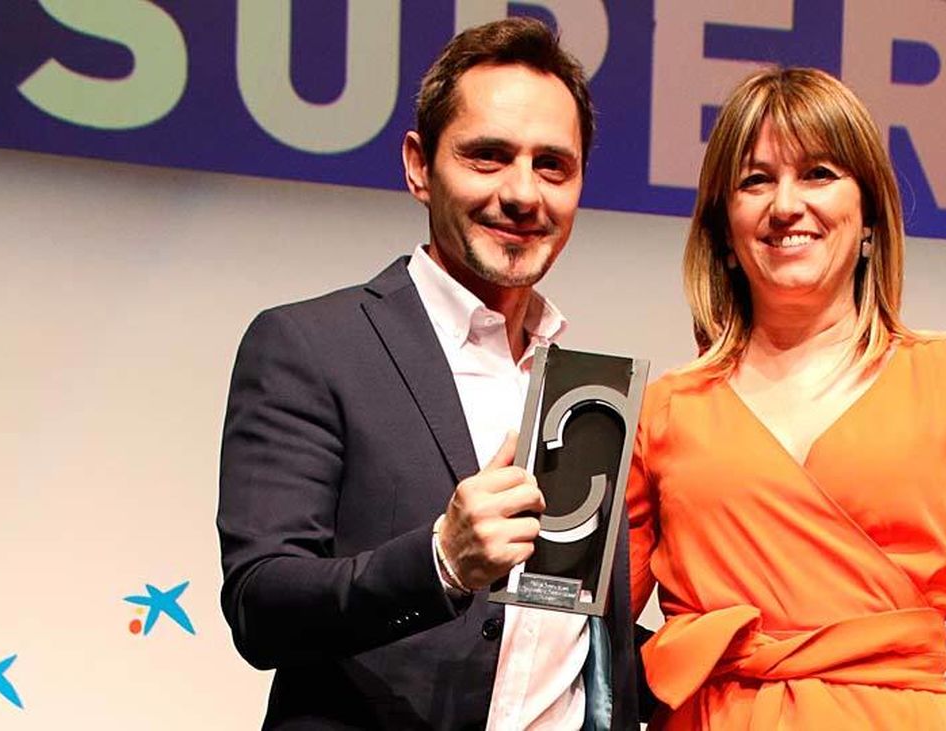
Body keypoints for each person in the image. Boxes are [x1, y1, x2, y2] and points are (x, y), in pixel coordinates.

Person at [217, 18, 639, 730]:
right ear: (418, 165)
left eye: (552, 166)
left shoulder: (582, 390)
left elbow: (571, 641)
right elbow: (262, 604)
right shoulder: (311, 345)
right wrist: (441, 559)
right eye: (488, 157)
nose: (522, 193)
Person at [626, 67, 946, 729]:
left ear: (870, 215)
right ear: (723, 229)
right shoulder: (663, 408)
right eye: (756, 179)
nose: (786, 204)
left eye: (818, 173)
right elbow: (573, 625)